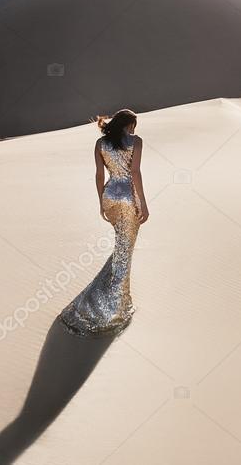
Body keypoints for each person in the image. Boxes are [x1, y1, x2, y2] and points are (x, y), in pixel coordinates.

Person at [60, 109, 149, 335]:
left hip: (109, 195)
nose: (134, 130)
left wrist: (102, 202)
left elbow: (99, 175)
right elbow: (135, 173)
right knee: (125, 249)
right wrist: (144, 204)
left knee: (121, 246)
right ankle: (111, 307)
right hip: (129, 198)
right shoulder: (136, 142)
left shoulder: (101, 143)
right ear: (128, 125)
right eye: (133, 126)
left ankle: (112, 298)